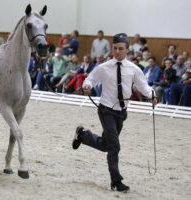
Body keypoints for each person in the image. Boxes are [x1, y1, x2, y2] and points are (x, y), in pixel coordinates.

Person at [72, 33, 157, 192]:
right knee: (114, 146)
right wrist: (87, 86)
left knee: (107, 145)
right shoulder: (104, 67)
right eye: (115, 48)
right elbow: (90, 79)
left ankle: (83, 135)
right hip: (106, 110)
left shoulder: (134, 69)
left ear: (127, 50)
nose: (117, 51)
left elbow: (145, 87)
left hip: (121, 113)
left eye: (121, 49)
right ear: (112, 48)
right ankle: (116, 182)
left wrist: (153, 96)